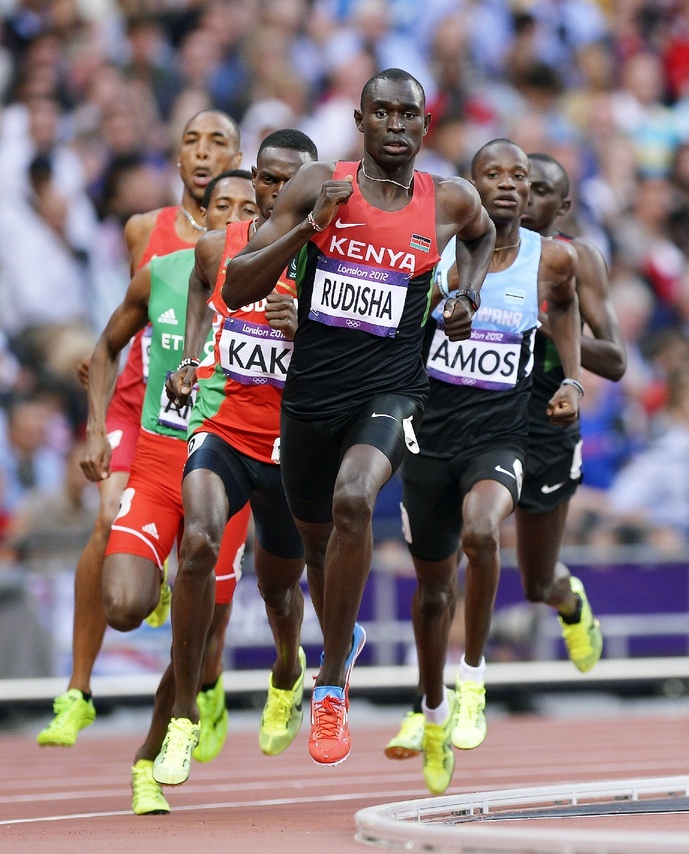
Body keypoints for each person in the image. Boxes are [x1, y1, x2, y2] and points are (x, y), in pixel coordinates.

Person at [222, 68, 495, 766]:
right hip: (311, 399)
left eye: (409, 114)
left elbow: (482, 234)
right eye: (383, 112)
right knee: (317, 546)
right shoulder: (320, 184)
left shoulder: (449, 199)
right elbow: (239, 284)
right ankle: (340, 644)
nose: (396, 125)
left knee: (354, 499)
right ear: (360, 121)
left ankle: (331, 683)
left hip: (394, 392)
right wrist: (308, 229)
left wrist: (466, 296)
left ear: (425, 126)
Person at [37, 109, 245, 748]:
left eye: (218, 143)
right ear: (177, 159)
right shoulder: (144, 230)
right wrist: (100, 370)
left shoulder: (253, 243)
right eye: (192, 142)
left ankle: (207, 680)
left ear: (239, 162)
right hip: (141, 404)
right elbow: (138, 315)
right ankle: (78, 691)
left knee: (209, 573)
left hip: (214, 417)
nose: (203, 153)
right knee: (105, 518)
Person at [390, 138, 580, 794]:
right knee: (433, 592)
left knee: (482, 530)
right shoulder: (438, 252)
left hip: (499, 440)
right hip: (429, 442)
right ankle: (432, 709)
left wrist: (572, 379)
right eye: (491, 174)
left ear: (528, 191)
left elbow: (567, 308)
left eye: (517, 176)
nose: (506, 184)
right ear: (470, 188)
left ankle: (472, 680)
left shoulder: (550, 260)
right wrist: (435, 311)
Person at [78, 170, 260, 811]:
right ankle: (158, 577)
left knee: (202, 635)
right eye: (221, 206)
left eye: (246, 206)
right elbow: (105, 348)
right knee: (124, 605)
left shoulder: (281, 282)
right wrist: (97, 429)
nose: (232, 216)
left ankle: (150, 758)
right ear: (201, 217)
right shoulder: (161, 275)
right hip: (160, 458)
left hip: (229, 465)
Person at [146, 129, 319, 794]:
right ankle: (183, 714)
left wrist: (305, 329)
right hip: (220, 426)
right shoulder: (221, 246)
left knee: (279, 590)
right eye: (267, 179)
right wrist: (191, 358)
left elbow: (361, 349)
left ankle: (287, 670)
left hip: (291, 444)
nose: (277, 191)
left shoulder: (329, 259)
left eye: (291, 180)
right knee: (197, 544)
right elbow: (200, 288)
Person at [499, 152, 626, 672]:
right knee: (459, 542)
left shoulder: (579, 260)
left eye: (542, 190)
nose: (526, 198)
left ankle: (570, 603)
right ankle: (446, 689)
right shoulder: (475, 245)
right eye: (520, 184)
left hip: (548, 420)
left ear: (564, 206)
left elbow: (615, 360)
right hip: (484, 412)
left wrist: (553, 327)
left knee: (536, 583)